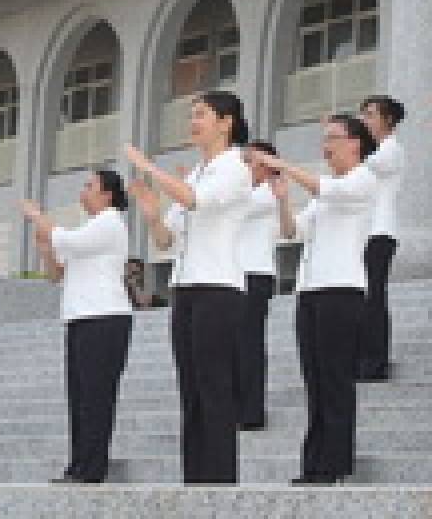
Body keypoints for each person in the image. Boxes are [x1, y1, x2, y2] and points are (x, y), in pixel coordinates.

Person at [126, 91, 252, 485]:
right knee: (191, 390)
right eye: (191, 115)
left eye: (201, 114)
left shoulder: (235, 167)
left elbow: (195, 201)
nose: (193, 121)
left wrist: (150, 168)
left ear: (226, 122)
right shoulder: (197, 172)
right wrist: (150, 215)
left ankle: (218, 486)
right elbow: (167, 240)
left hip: (219, 290)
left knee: (214, 389)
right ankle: (194, 484)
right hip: (187, 290)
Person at [251, 115, 378, 486]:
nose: (326, 145)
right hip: (310, 291)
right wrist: (283, 200)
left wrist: (282, 164)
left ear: (355, 143)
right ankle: (314, 462)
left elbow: (328, 191)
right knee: (315, 378)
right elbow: (293, 231)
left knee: (335, 378)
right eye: (324, 139)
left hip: (342, 291)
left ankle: (335, 462)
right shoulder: (327, 190)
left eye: (333, 138)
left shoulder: (362, 179)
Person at [20, 170, 133, 485]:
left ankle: (93, 467)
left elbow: (65, 240)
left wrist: (38, 216)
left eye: (89, 185)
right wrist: (44, 246)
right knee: (80, 396)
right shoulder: (90, 227)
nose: (83, 191)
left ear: (107, 194)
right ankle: (79, 465)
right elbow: (57, 273)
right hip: (81, 318)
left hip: (105, 318)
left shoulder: (110, 223)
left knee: (97, 396)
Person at [355, 96, 405, 382]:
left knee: (373, 297)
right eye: (363, 114)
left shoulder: (391, 149)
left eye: (371, 115)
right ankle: (362, 356)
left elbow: (362, 163)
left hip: (380, 232)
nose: (365, 120)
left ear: (388, 120)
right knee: (362, 297)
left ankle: (375, 361)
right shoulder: (373, 151)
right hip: (363, 232)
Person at [235, 140, 282, 430]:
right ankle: (238, 406)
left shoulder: (269, 193)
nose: (244, 166)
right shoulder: (249, 192)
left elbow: (236, 207)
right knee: (235, 345)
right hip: (236, 274)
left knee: (249, 344)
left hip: (256, 274)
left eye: (249, 160)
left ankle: (251, 411)